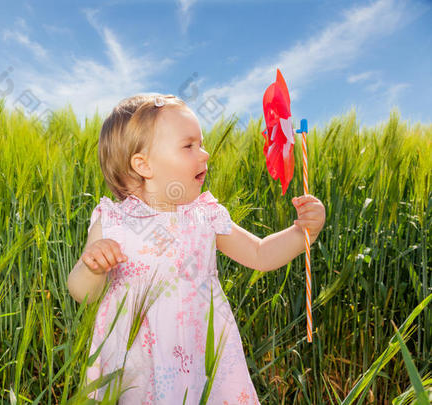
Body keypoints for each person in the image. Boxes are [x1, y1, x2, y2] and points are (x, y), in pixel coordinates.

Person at [67, 93, 326, 404]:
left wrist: (303, 233)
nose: (204, 154)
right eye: (188, 146)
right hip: (136, 361)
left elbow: (260, 254)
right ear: (143, 164)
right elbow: (83, 292)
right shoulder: (113, 221)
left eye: (200, 144)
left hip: (199, 351)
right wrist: (92, 266)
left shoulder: (204, 215)